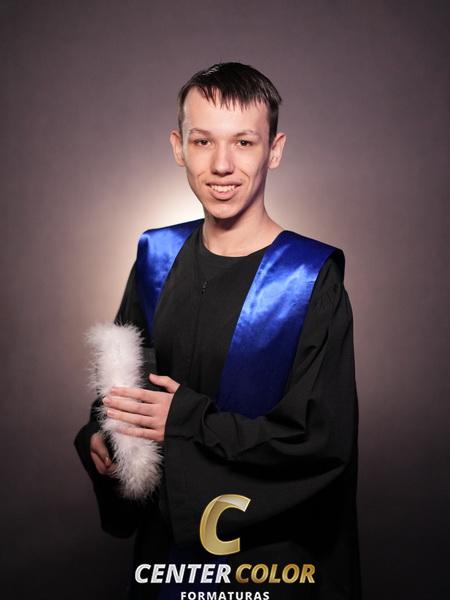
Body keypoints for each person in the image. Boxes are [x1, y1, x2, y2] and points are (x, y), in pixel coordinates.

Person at [74, 62, 362, 599]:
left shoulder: (308, 279)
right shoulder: (156, 258)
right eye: (203, 141)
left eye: (244, 142)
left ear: (274, 150)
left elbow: (322, 444)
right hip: (167, 562)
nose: (222, 164)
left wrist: (186, 420)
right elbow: (121, 384)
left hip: (270, 568)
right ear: (178, 147)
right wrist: (103, 435)